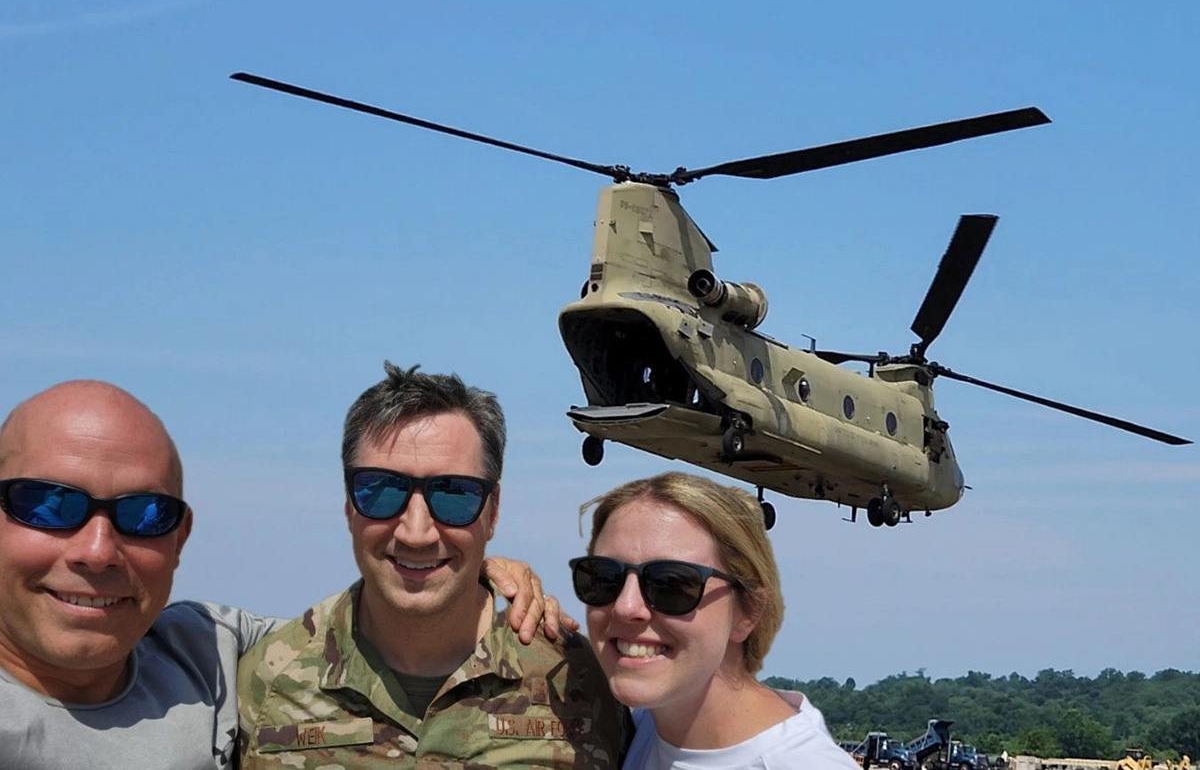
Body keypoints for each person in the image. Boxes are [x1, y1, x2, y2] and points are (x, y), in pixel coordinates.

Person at [0, 380, 556, 770]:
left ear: (179, 538)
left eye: (144, 515)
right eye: (47, 505)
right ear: (348, 505)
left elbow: (373, 625)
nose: (97, 551)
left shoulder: (208, 656)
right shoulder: (245, 675)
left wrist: (471, 571)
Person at [237, 363, 629, 768]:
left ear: (492, 512)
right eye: (382, 491)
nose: (416, 532)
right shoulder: (266, 680)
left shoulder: (580, 682)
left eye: (454, 495)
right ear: (349, 506)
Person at [572, 471, 861, 769]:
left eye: (671, 583)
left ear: (747, 611)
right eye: (603, 577)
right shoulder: (643, 726)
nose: (625, 606)